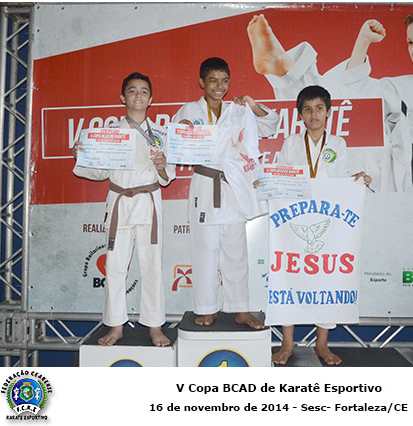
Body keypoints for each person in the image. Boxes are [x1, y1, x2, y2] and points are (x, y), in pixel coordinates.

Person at [247, 9, 413, 192]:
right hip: (382, 170)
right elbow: (356, 92)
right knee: (342, 106)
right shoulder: (398, 84)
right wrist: (362, 43)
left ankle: (289, 73)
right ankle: (286, 70)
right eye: (410, 42)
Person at [256, 85, 371, 365]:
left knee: (326, 278)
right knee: (289, 276)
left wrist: (356, 180)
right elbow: (283, 176)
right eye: (307, 109)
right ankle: (287, 344)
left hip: (327, 220)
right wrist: (268, 182)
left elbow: (341, 177)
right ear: (300, 115)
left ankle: (322, 345)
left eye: (319, 108)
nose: (313, 114)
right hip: (294, 220)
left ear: (328, 112)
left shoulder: (338, 144)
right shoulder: (291, 143)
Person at [172, 57, 280, 329]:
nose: (219, 86)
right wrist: (181, 132)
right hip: (205, 184)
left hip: (233, 186)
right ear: (201, 82)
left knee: (236, 253)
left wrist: (252, 105)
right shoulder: (188, 110)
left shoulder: (238, 110)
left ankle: (240, 309)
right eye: (213, 81)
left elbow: (270, 126)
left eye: (224, 81)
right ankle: (207, 309)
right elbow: (174, 145)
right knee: (205, 252)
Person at [72, 72, 175, 347]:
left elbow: (169, 175)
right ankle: (116, 325)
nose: (138, 95)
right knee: (115, 267)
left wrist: (163, 166)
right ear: (122, 97)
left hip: (148, 203)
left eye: (144, 91)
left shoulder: (162, 134)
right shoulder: (110, 134)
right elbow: (98, 172)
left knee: (152, 266)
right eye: (132, 91)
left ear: (151, 99)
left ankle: (155, 325)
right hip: (120, 202)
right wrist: (82, 155)